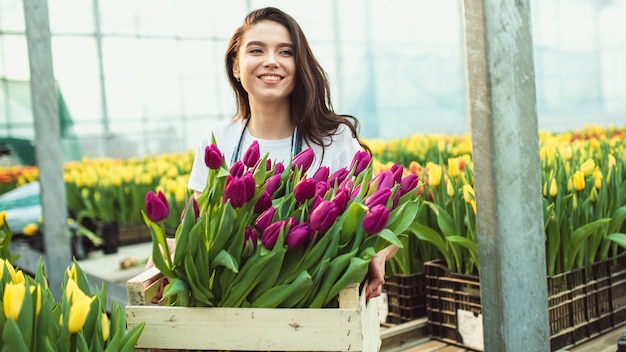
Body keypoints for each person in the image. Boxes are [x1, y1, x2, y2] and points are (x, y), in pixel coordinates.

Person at [155, 6, 395, 300]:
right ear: (235, 65)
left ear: (300, 65)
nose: (271, 61)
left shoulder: (333, 140)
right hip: (227, 318)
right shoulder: (218, 140)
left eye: (285, 52)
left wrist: (379, 253)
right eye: (256, 50)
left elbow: (386, 212)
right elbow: (194, 226)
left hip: (315, 317)